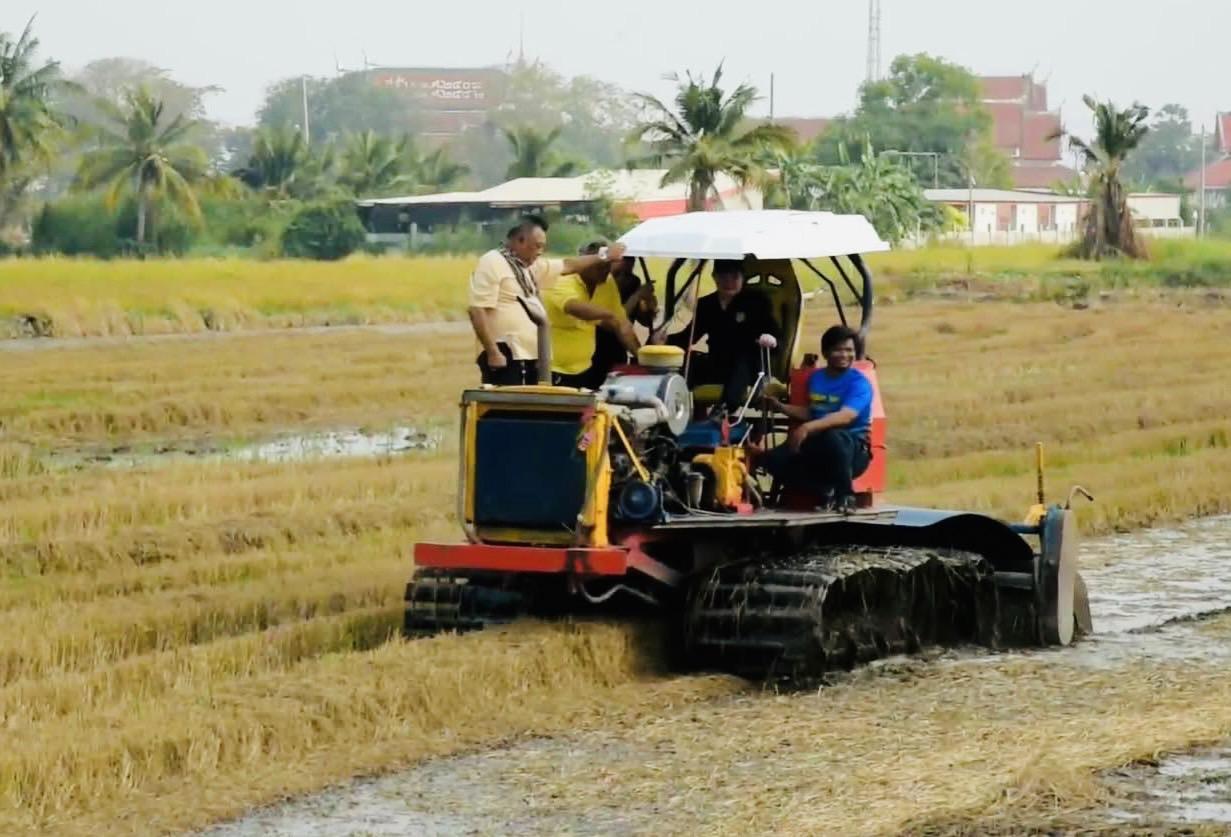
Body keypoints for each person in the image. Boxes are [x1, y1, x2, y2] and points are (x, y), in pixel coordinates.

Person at [467, 215, 625, 385]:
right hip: (506, 353)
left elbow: (568, 265)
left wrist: (604, 256)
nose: (540, 251)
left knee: (531, 408)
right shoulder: (492, 262)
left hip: (531, 355)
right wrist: (493, 352)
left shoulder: (530, 267)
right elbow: (477, 310)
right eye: (537, 246)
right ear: (521, 240)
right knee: (511, 408)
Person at [760, 325, 873, 513]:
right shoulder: (817, 379)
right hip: (820, 444)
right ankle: (822, 489)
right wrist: (780, 407)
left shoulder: (859, 383)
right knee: (773, 460)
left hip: (853, 451)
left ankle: (846, 496)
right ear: (826, 352)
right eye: (838, 349)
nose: (844, 355)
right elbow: (814, 412)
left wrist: (805, 429)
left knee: (833, 436)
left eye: (849, 350)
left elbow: (846, 417)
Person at [666, 259, 779, 412]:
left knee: (742, 361)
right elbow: (688, 338)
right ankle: (676, 406)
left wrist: (770, 339)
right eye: (723, 277)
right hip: (717, 363)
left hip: (749, 365)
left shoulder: (757, 301)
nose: (729, 282)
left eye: (734, 277)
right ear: (714, 277)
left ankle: (724, 410)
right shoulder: (706, 305)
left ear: (742, 277)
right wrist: (664, 340)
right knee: (688, 361)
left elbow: (774, 333)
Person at [544, 240, 640, 389]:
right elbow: (574, 308)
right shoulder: (562, 279)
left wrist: (642, 357)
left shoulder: (606, 282)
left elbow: (622, 324)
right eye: (600, 266)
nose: (606, 271)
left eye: (608, 266)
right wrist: (610, 315)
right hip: (553, 369)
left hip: (584, 368)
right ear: (585, 263)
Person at [590, 255, 657, 375]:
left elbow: (644, 321)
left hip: (619, 347)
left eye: (632, 259)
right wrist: (637, 295)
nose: (630, 263)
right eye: (626, 259)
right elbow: (616, 320)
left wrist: (649, 304)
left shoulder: (633, 282)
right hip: (597, 343)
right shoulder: (600, 283)